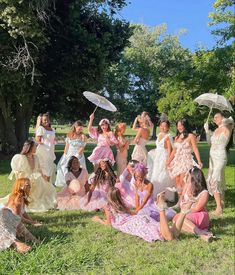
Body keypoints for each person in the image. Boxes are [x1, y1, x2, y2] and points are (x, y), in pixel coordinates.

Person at [92, 187, 194, 242]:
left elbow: (109, 223)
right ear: (119, 196)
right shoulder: (122, 205)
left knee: (169, 237)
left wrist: (98, 220)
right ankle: (184, 211)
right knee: (173, 234)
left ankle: (161, 208)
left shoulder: (108, 207)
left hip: (134, 224)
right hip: (140, 219)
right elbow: (132, 213)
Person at [0, 140, 57, 212]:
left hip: (36, 179)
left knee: (48, 187)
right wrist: (21, 182)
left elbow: (39, 170)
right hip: (25, 180)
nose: (36, 148)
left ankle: (37, 198)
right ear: (30, 148)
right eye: (34, 146)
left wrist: (44, 177)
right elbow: (17, 173)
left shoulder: (36, 157)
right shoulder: (20, 158)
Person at [204, 113, 234, 216]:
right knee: (220, 178)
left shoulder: (227, 127)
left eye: (217, 117)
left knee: (214, 180)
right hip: (212, 158)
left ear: (222, 117)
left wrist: (224, 120)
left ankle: (219, 208)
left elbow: (231, 121)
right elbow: (209, 143)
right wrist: (207, 131)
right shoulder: (216, 131)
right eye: (214, 117)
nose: (214, 119)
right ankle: (222, 202)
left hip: (221, 156)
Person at [167, 119, 203, 204]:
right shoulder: (177, 137)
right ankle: (180, 201)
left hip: (186, 161)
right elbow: (174, 151)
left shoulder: (191, 136)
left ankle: (184, 200)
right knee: (177, 180)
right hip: (177, 161)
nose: (179, 127)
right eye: (178, 125)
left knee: (184, 180)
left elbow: (195, 148)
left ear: (185, 126)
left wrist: (199, 161)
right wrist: (168, 161)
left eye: (181, 125)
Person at [173, 167, 214, 242]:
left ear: (194, 178)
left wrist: (184, 210)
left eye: (188, 175)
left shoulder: (204, 192)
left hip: (199, 215)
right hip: (187, 213)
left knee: (179, 219)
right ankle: (200, 233)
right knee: (176, 218)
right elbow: (181, 202)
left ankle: (198, 232)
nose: (186, 177)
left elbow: (197, 209)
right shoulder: (187, 186)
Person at [0, 178, 40, 253]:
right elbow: (17, 217)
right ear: (20, 186)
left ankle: (25, 239)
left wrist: (32, 221)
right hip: (7, 216)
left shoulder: (22, 197)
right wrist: (32, 223)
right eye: (27, 185)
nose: (30, 187)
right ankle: (17, 242)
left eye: (30, 185)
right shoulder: (18, 198)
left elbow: (23, 212)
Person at [147, 120, 175, 201]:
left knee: (163, 175)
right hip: (157, 157)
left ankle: (164, 194)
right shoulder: (159, 134)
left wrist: (168, 161)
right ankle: (156, 193)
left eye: (165, 126)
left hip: (164, 157)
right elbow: (158, 147)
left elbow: (170, 149)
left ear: (168, 128)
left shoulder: (168, 136)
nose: (162, 127)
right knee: (155, 174)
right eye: (161, 125)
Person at [55, 121, 87, 187]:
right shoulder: (69, 135)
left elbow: (82, 147)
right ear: (75, 127)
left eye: (81, 129)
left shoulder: (83, 136)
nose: (80, 130)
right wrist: (64, 155)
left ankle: (77, 185)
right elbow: (66, 147)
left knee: (77, 170)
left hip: (78, 155)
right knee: (64, 167)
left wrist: (76, 156)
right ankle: (68, 184)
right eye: (79, 128)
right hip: (69, 154)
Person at [35, 113, 56, 183]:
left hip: (50, 151)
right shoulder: (41, 128)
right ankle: (44, 186)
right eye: (44, 120)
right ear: (41, 121)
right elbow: (37, 140)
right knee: (45, 169)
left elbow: (53, 139)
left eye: (47, 120)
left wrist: (54, 141)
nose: (46, 121)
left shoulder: (52, 129)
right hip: (43, 151)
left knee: (49, 169)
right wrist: (46, 143)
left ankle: (47, 186)